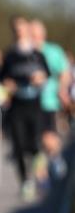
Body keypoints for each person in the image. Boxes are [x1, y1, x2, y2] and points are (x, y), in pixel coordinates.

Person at [0, 16, 50, 200]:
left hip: (34, 104)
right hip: (17, 106)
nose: (19, 32)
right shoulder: (10, 56)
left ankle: (39, 172)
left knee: (35, 146)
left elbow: (47, 75)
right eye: (16, 29)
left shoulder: (37, 54)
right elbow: (1, 78)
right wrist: (8, 84)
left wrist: (40, 78)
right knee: (19, 147)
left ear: (28, 30)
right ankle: (25, 182)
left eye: (22, 28)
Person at [29, 18, 69, 180]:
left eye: (35, 33)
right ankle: (42, 173)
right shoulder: (25, 52)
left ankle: (55, 158)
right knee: (35, 140)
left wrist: (62, 89)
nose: (33, 36)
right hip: (28, 103)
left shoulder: (53, 51)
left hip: (48, 101)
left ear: (42, 34)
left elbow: (64, 72)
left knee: (48, 137)